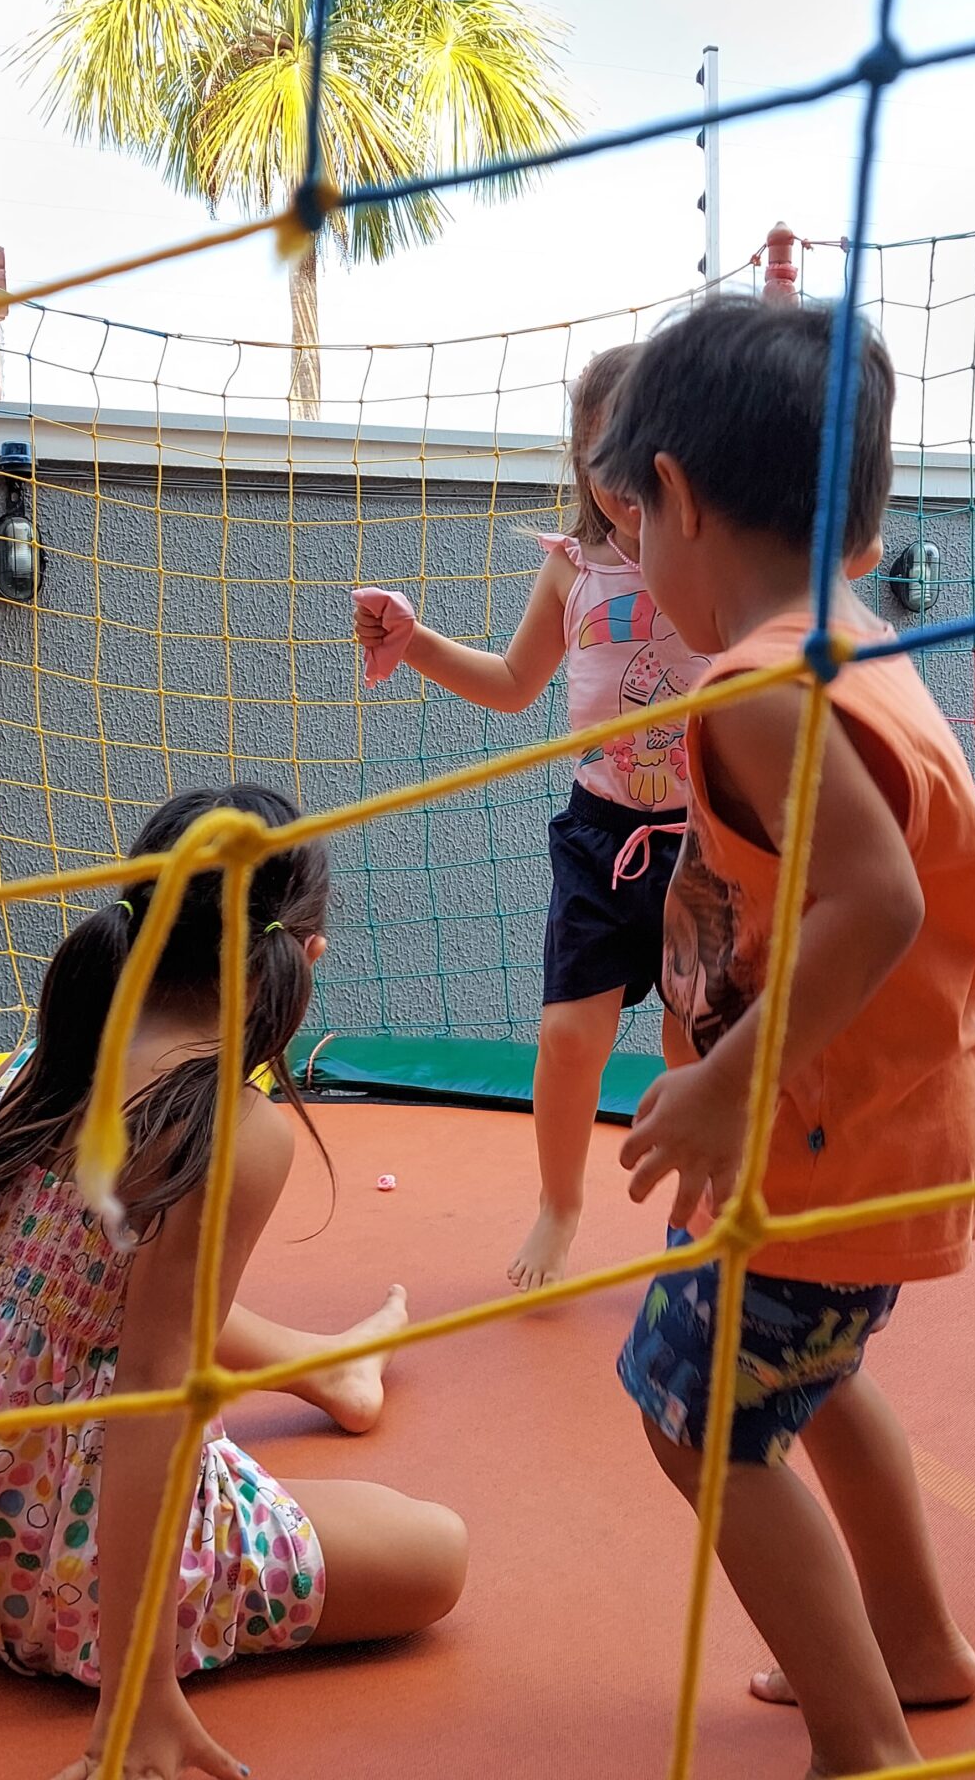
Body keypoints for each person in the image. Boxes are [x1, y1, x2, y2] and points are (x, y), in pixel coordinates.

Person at [0, 784, 467, 1780]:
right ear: (303, 957)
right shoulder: (228, 1128)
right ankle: (330, 1376)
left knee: (104, 1295)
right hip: (56, 1579)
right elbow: (149, 1396)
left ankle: (329, 1369)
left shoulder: (51, 1052)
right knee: (434, 1552)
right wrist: (139, 1689)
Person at [590, 298, 975, 1776]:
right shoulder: (853, 646)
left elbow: (878, 901)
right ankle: (918, 1645)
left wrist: (723, 1082)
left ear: (675, 497)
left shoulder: (759, 684)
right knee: (813, 1385)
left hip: (820, 1133)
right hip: (894, 1117)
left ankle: (863, 1739)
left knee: (695, 1415)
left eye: (632, 520)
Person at [352, 343, 704, 1290]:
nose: (623, 485)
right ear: (584, 464)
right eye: (603, 459)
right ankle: (560, 1205)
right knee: (569, 1037)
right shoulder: (571, 571)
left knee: (692, 1043)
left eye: (644, 457)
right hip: (601, 839)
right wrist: (415, 644)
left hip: (704, 844)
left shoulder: (715, 561)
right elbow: (513, 684)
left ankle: (694, 1221)